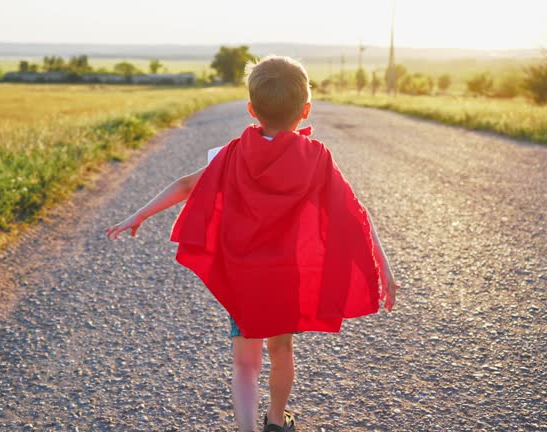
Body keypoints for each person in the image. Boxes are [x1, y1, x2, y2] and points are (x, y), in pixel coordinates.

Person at [106, 55, 399, 432]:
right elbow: (354, 213)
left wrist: (140, 214)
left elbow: (183, 186)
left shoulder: (231, 153)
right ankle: (276, 421)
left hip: (244, 278)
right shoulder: (317, 157)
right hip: (286, 277)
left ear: (251, 110)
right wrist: (383, 267)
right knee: (282, 351)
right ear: (306, 110)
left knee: (245, 364)